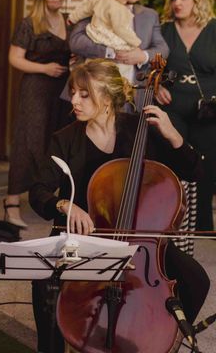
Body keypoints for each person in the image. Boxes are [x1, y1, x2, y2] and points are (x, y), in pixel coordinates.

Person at [29, 59, 209, 353]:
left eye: (84, 94)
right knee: (44, 280)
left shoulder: (140, 129)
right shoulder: (65, 139)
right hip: (85, 233)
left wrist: (172, 133)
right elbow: (38, 191)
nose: (74, 100)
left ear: (110, 96)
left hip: (140, 236)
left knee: (196, 280)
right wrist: (65, 204)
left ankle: (159, 334)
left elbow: (194, 173)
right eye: (74, 92)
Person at [6, 0, 71, 228]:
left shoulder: (68, 20)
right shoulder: (29, 23)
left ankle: (45, 197)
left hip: (63, 91)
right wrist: (43, 69)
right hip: (36, 90)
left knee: (53, 143)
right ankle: (11, 204)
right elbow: (15, 59)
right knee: (27, 143)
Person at [156, 0, 216, 231]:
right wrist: (156, 86)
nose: (177, 3)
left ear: (197, 1)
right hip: (174, 107)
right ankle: (173, 223)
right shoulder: (164, 30)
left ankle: (202, 225)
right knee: (174, 160)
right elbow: (149, 64)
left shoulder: (213, 29)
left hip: (209, 109)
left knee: (206, 165)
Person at [69, 0, 169, 103]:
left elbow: (162, 49)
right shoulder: (100, 4)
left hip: (133, 95)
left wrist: (142, 56)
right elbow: (76, 42)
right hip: (93, 92)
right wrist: (111, 52)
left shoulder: (150, 15)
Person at [68, 0, 141, 81]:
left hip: (95, 33)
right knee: (126, 54)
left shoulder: (98, 0)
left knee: (95, 64)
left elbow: (84, 9)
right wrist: (136, 42)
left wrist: (72, 18)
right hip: (108, 37)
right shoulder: (117, 8)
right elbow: (120, 28)